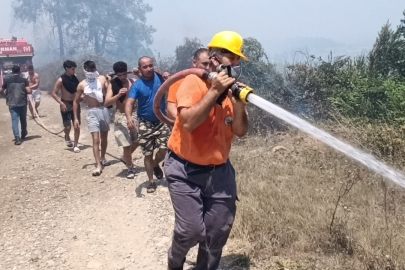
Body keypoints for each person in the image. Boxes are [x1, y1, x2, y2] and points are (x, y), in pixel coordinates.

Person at [164, 31, 249, 270]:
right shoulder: (193, 82)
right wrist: (214, 90)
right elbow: (188, 122)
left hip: (220, 172)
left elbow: (240, 131)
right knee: (190, 231)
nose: (236, 64)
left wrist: (240, 105)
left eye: (238, 59)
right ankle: (175, 261)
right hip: (185, 170)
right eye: (232, 57)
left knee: (218, 231)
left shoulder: (233, 91)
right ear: (215, 58)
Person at [125, 57, 170, 193]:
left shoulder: (161, 78)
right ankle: (151, 182)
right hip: (145, 123)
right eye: (145, 67)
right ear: (140, 70)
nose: (149, 69)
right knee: (148, 153)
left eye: (151, 66)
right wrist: (128, 117)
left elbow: (175, 83)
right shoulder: (137, 85)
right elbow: (129, 103)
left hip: (162, 121)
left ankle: (156, 164)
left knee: (165, 150)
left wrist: (167, 76)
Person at [74, 60, 110, 176]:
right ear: (85, 70)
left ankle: (103, 157)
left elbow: (108, 90)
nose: (91, 72)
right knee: (96, 139)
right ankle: (98, 164)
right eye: (88, 70)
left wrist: (109, 81)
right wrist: (75, 118)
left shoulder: (101, 79)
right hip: (92, 111)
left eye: (92, 70)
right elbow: (76, 101)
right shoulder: (82, 84)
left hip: (103, 110)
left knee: (104, 137)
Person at [105, 61, 139, 179]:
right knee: (126, 144)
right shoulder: (113, 84)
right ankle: (130, 168)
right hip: (120, 116)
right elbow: (107, 102)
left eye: (124, 74)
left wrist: (138, 73)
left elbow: (145, 84)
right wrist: (118, 95)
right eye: (120, 75)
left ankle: (125, 158)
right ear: (116, 75)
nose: (123, 77)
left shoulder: (133, 82)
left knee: (137, 140)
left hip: (134, 115)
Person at [167, 48, 210, 119]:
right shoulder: (179, 83)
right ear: (194, 63)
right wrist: (184, 121)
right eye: (205, 64)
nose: (208, 67)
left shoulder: (214, 84)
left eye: (210, 64)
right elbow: (171, 108)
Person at [52, 60, 81, 152]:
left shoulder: (75, 78)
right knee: (68, 126)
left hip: (75, 103)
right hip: (65, 104)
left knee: (77, 125)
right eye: (72, 69)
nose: (74, 71)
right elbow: (54, 93)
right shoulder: (61, 80)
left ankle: (76, 145)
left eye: (74, 69)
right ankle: (67, 136)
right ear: (66, 69)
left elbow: (78, 89)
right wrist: (61, 103)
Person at [0, 65, 32, 145]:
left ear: (12, 71)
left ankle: (17, 138)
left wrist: (5, 96)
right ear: (20, 71)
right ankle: (24, 133)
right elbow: (29, 91)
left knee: (15, 120)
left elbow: (1, 90)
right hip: (22, 103)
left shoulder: (7, 80)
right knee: (23, 119)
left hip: (12, 103)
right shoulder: (24, 80)